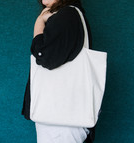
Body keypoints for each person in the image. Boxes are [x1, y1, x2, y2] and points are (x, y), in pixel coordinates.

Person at [21, 0, 96, 142]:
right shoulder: (71, 14)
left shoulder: (67, 14)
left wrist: (39, 23)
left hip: (61, 120)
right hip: (65, 116)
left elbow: (46, 58)